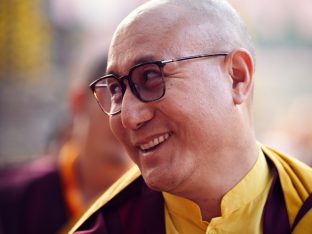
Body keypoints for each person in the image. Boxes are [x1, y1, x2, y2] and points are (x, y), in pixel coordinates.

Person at [69, 0, 312, 233]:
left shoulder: (304, 209)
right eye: (116, 90)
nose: (129, 117)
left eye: (151, 77)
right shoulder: (110, 225)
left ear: (237, 77)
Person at [0, 56, 132, 234]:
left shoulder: (159, 206)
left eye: (140, 99)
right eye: (116, 94)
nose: (128, 117)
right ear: (78, 101)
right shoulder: (12, 196)